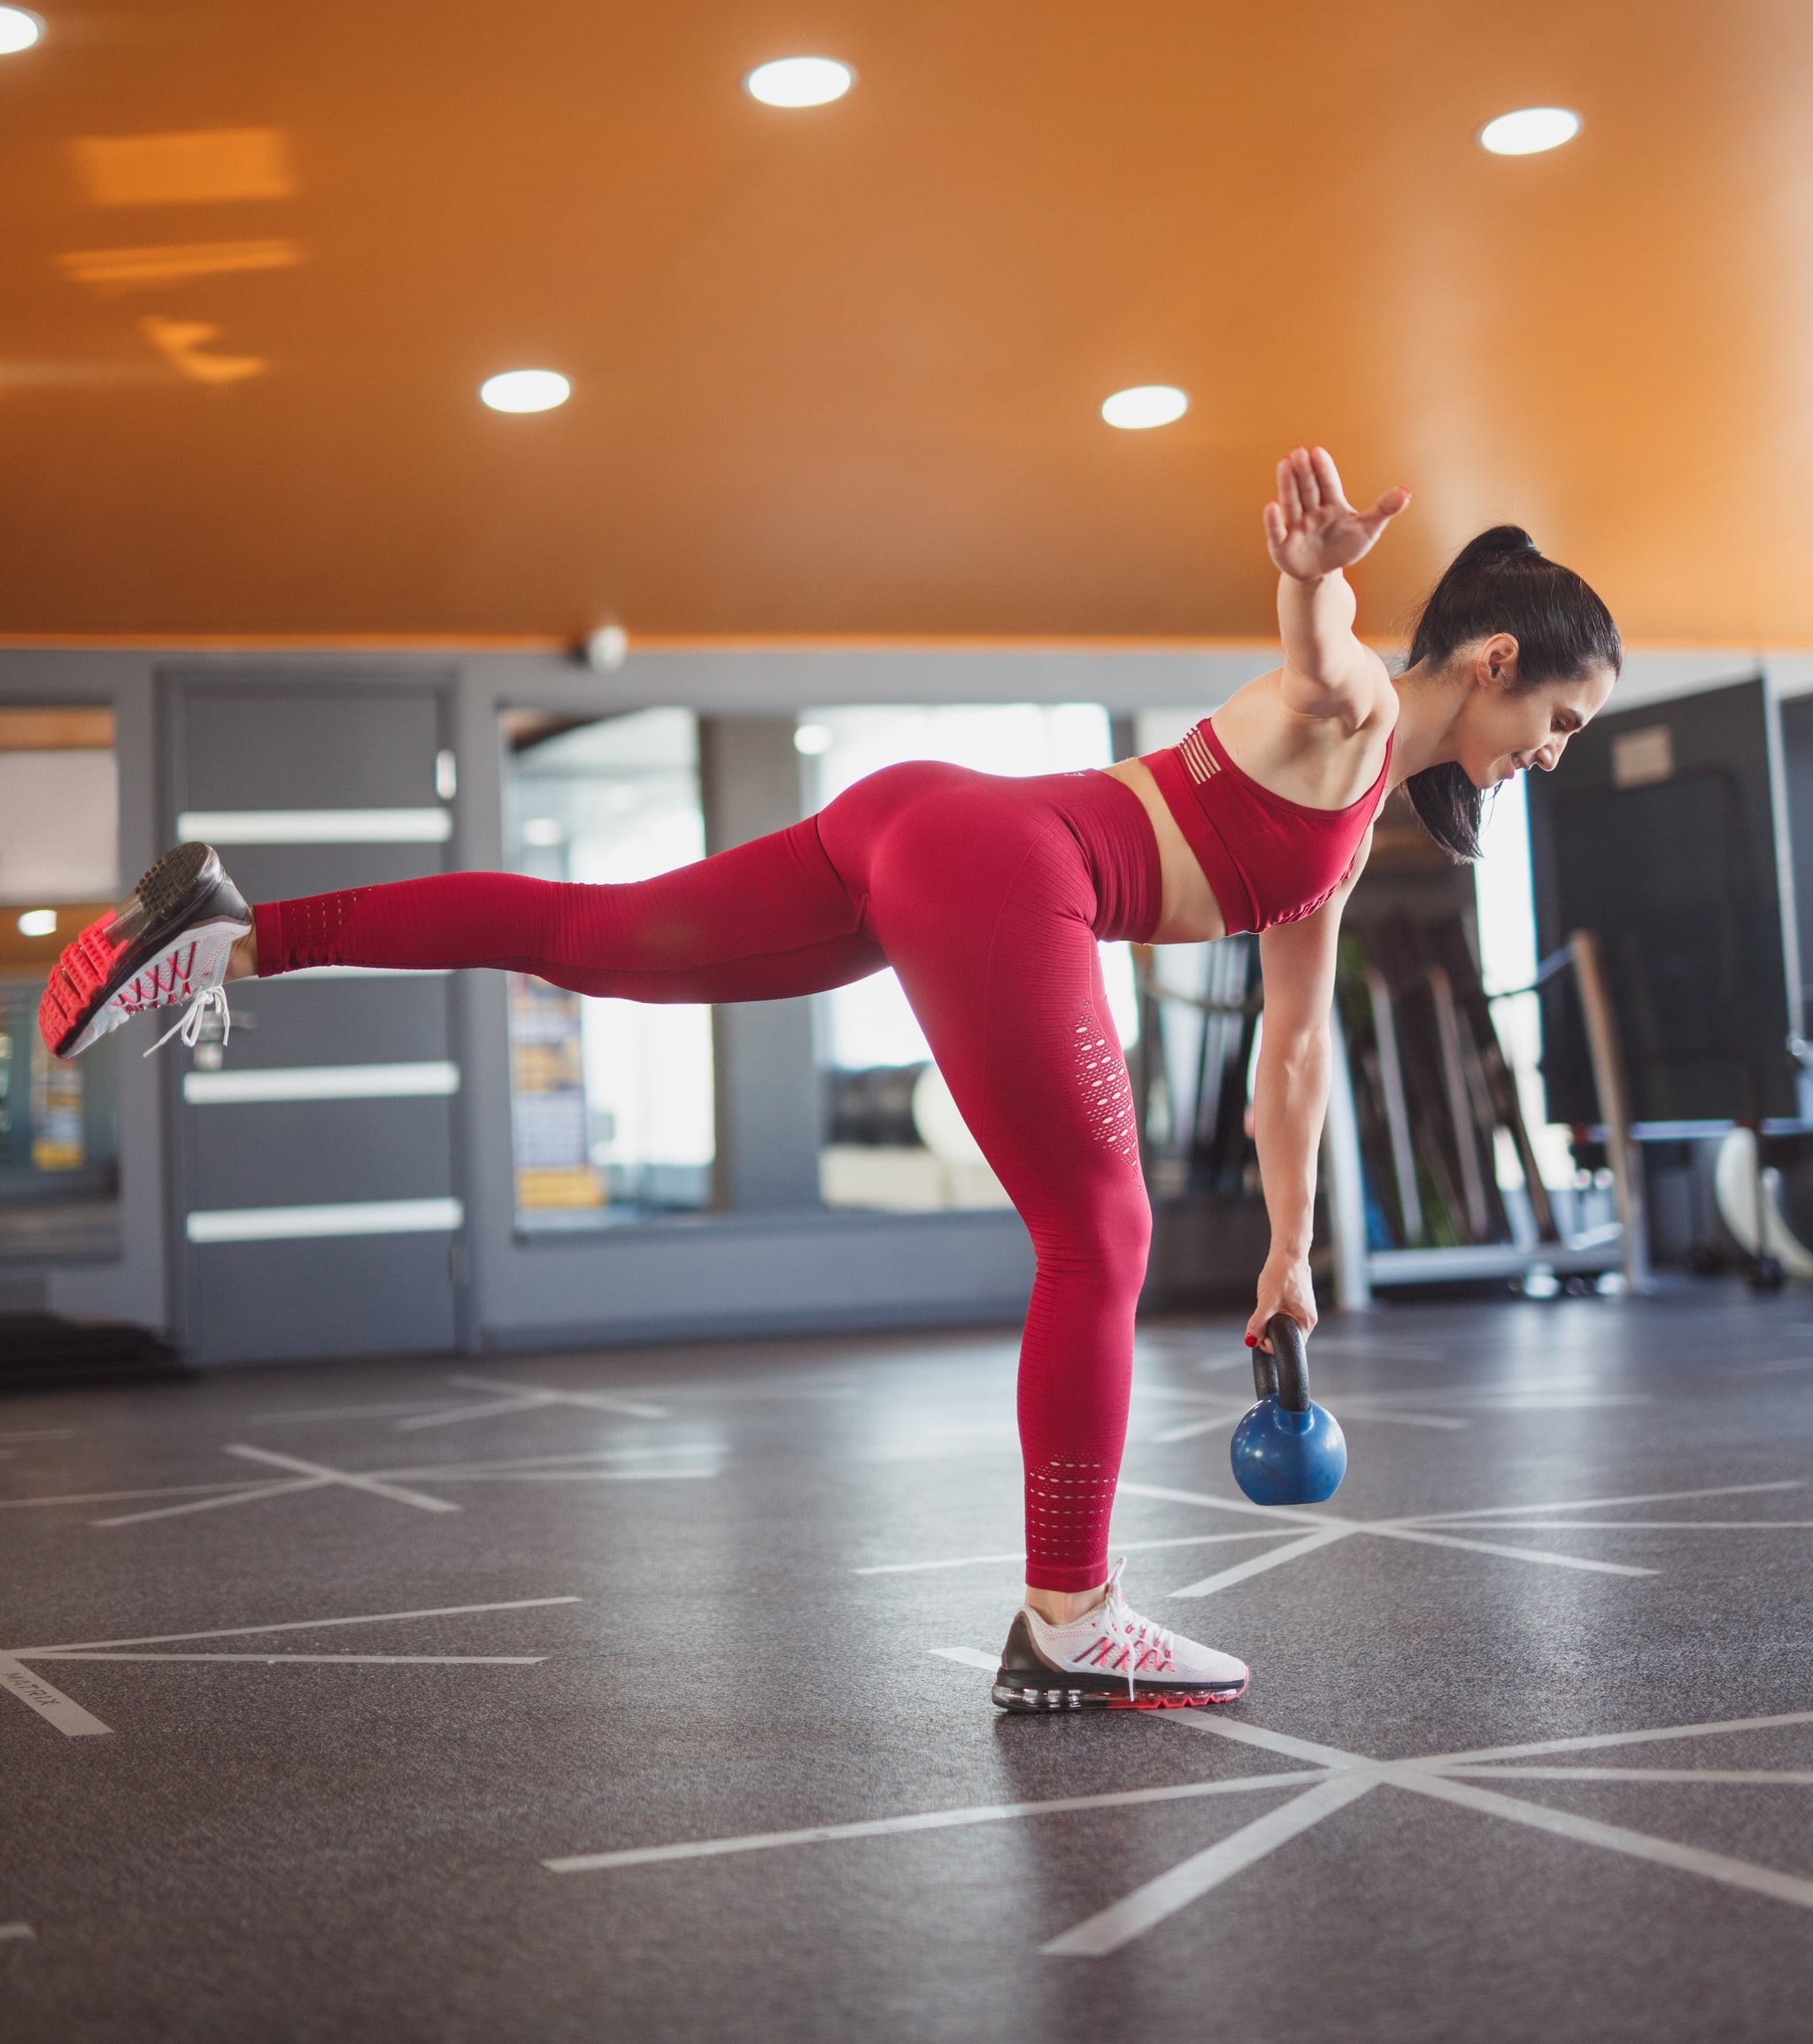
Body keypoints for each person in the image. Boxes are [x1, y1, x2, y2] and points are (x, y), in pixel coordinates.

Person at [40, 448, 1620, 1711]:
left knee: (598, 939)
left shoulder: (1344, 832)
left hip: (924, 823)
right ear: (1494, 662)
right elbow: (1330, 658)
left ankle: (235, 932)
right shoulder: (1347, 719)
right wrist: (1308, 577)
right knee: (1104, 1235)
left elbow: (1287, 1050)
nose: (1553, 750)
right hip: (1011, 865)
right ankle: (1073, 1617)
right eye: (1561, 718)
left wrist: (1286, 1249)